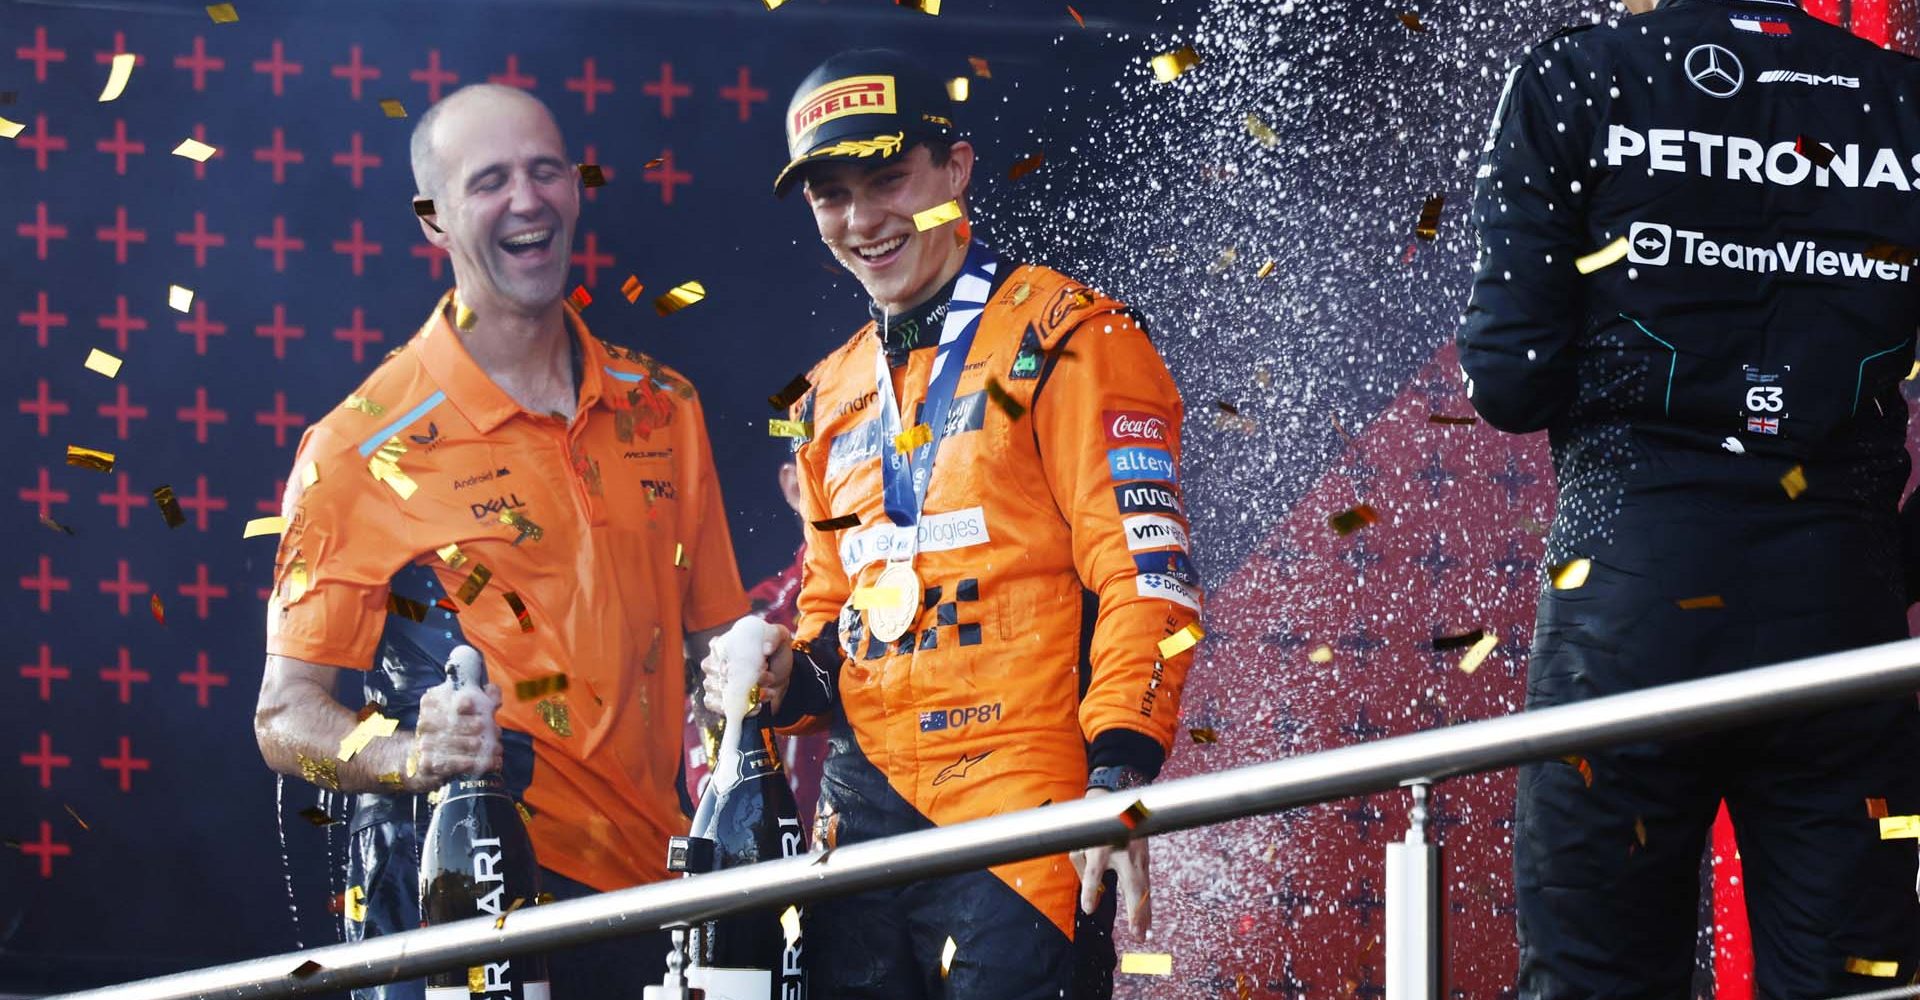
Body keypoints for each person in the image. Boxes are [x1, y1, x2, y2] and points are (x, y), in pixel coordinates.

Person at [702, 48, 1203, 999]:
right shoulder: (824, 396)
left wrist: (1120, 775)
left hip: (1022, 822)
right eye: (831, 197)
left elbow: (1150, 579)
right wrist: (777, 672)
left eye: (889, 178)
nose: (862, 221)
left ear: (958, 169)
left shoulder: (1072, 337)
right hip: (858, 837)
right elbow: (834, 632)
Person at [1459, 1, 1920, 995]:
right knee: (1862, 984)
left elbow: (1509, 377)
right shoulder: (1899, 99)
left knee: (1596, 981)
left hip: (1627, 606)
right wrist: (1893, 564)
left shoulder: (1580, 76)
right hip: (1850, 621)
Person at [252, 83, 751, 999]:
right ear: (433, 219)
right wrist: (412, 753)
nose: (526, 200)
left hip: (664, 898)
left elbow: (719, 650)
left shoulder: (663, 405)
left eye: (545, 170)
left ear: (575, 187)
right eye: (489, 181)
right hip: (474, 910)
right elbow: (284, 719)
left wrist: (758, 682)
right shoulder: (359, 444)